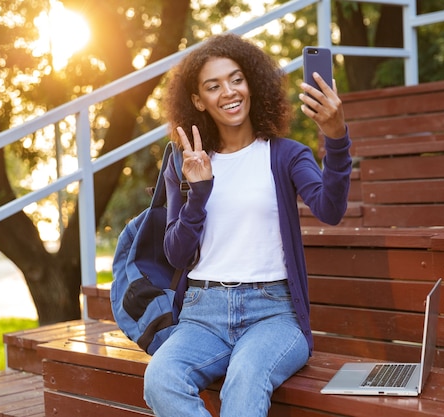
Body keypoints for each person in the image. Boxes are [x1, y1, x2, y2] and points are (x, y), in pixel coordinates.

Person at [143, 33, 352, 417]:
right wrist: (199, 191)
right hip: (202, 314)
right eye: (213, 86)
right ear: (197, 101)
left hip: (272, 314)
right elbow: (176, 252)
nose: (229, 92)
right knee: (161, 379)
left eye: (236, 79)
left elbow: (330, 208)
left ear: (251, 84)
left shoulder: (285, 155)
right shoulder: (185, 162)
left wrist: (336, 138)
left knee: (245, 376)